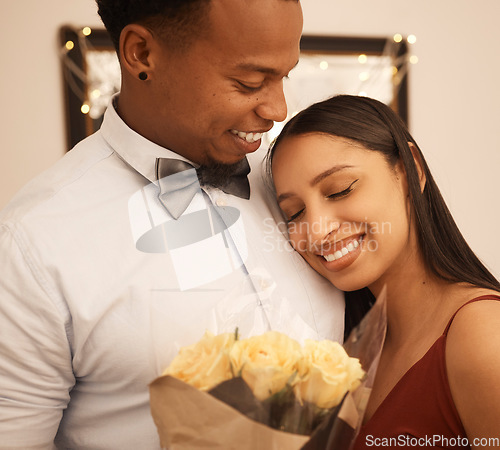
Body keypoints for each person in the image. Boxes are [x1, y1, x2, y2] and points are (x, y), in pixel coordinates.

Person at [0, 1, 345, 448]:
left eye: (286, 76)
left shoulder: (299, 175)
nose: (279, 109)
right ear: (142, 53)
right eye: (250, 82)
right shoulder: (34, 243)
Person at [267, 94, 500, 448]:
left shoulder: (483, 335)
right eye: (295, 213)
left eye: (339, 190)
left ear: (411, 172)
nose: (316, 230)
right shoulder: (342, 350)